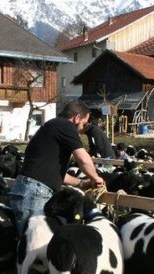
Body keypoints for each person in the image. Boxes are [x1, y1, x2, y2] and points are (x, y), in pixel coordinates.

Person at [9, 100, 104, 236]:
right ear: (77, 118)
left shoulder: (50, 126)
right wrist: (96, 178)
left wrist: (81, 183)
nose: (82, 129)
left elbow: (53, 171)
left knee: (26, 244)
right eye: (83, 124)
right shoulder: (66, 126)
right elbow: (83, 158)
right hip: (36, 193)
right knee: (36, 243)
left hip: (24, 189)